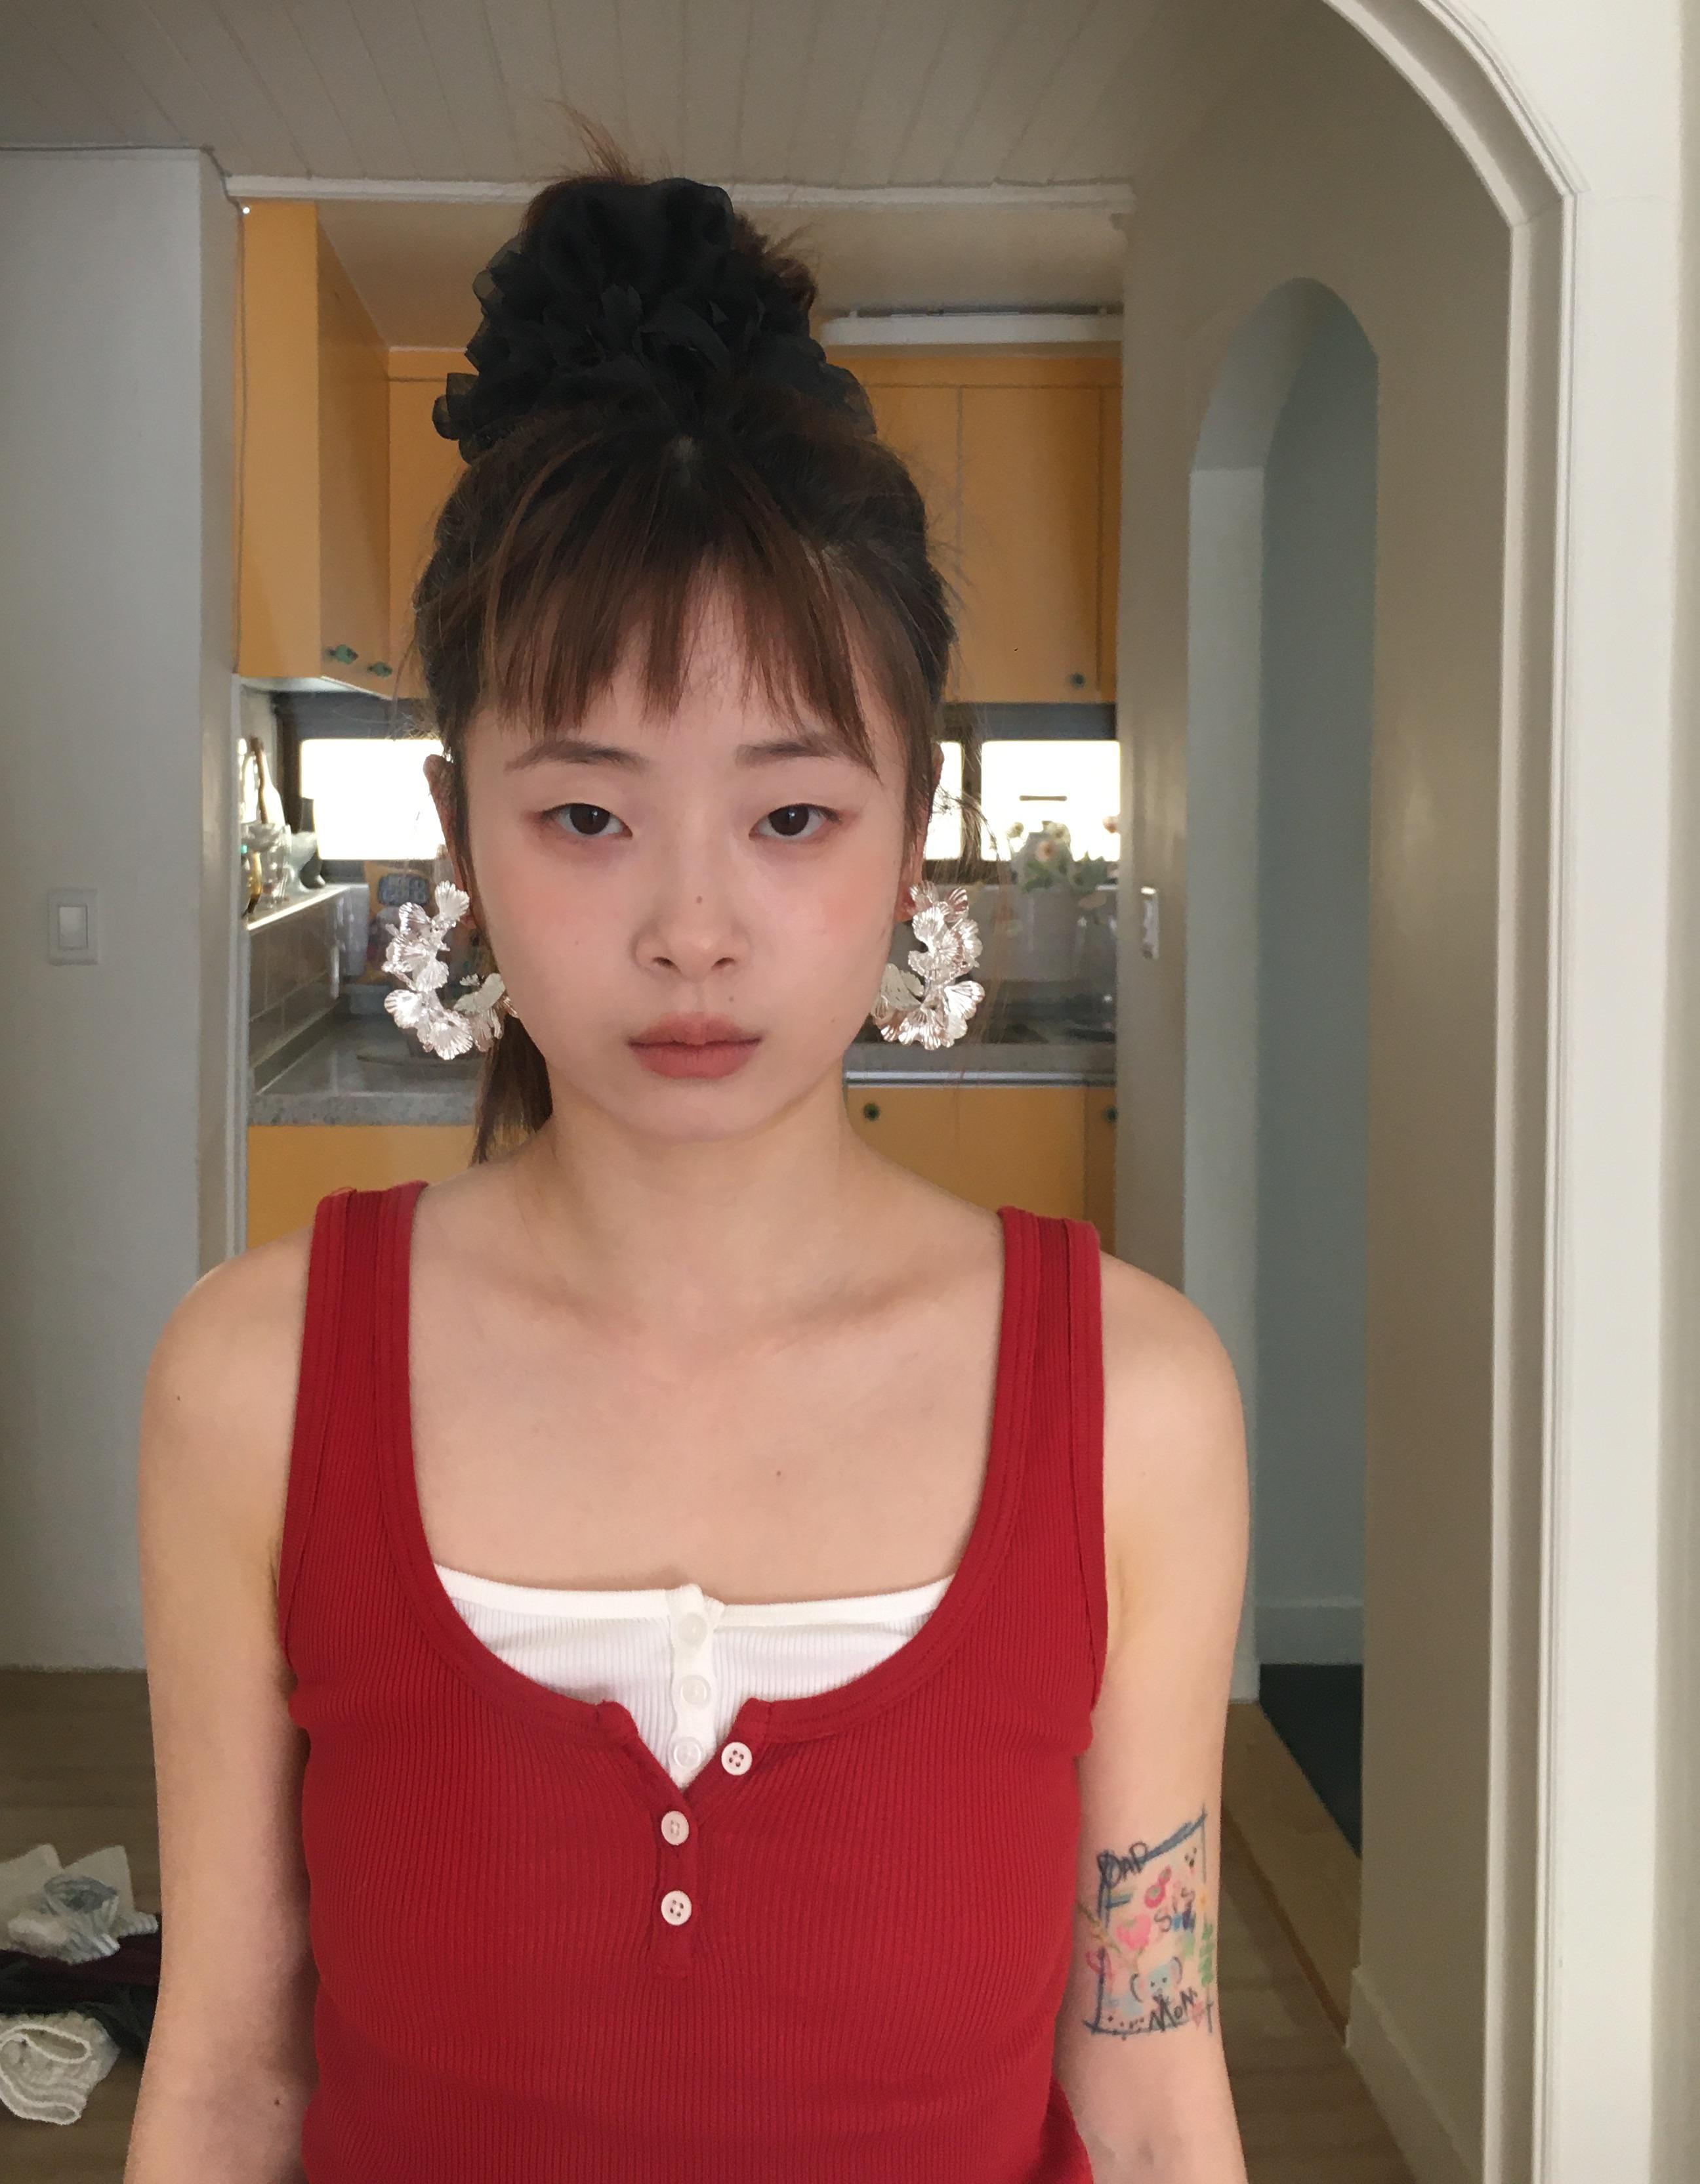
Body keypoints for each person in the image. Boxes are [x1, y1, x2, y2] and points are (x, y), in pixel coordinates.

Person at [126, 168, 1250, 2182]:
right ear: (461, 834)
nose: (694, 932)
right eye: (586, 817)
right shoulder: (254, 1382)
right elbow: (224, 2073)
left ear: (916, 829)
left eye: (792, 815)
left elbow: (1153, 2084)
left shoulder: (1138, 1405)